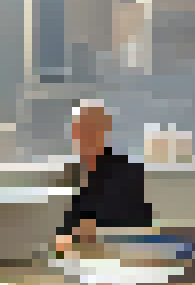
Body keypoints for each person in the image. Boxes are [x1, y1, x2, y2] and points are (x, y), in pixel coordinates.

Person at [55, 101, 152, 253]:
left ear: (104, 131)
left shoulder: (128, 171)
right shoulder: (77, 176)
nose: (84, 137)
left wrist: (91, 229)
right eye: (80, 130)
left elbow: (138, 226)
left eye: (91, 129)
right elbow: (66, 234)